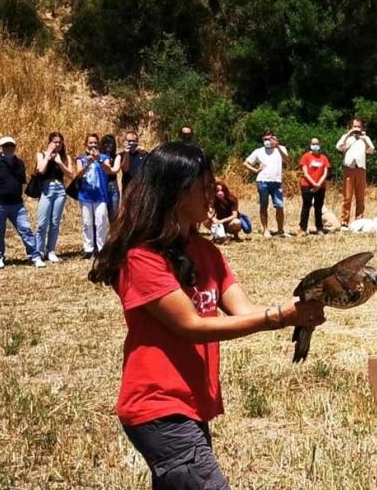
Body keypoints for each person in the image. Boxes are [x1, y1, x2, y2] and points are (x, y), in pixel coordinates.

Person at [87, 142, 325, 489]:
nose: (212, 190)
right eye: (203, 183)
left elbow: (244, 312)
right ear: (175, 191)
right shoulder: (142, 258)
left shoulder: (206, 252)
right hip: (158, 406)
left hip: (191, 402)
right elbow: (192, 326)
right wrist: (279, 316)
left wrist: (301, 307)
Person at [0, 137, 45, 268]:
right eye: (5, 146)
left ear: (15, 147)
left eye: (11, 146)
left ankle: (35, 256)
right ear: (0, 148)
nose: (9, 148)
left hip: (17, 204)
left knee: (26, 229)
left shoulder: (19, 163)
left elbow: (21, 182)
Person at [243, 130, 291, 238]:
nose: (267, 141)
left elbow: (287, 161)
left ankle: (280, 230)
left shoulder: (281, 149)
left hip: (276, 182)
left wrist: (278, 147)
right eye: (265, 139)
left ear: (274, 139)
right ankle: (265, 230)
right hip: (263, 181)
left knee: (279, 206)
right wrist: (255, 170)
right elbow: (245, 163)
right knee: (263, 206)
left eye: (269, 139)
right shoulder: (258, 151)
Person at [35, 132, 73, 262]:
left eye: (59, 142)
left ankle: (51, 250)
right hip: (46, 189)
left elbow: (71, 174)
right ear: (49, 142)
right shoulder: (41, 155)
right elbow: (40, 170)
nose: (57, 145)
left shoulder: (65, 157)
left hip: (60, 190)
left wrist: (60, 163)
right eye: (54, 142)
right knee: (41, 223)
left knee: (55, 223)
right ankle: (39, 251)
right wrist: (47, 155)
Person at [75, 133, 110, 258]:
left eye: (95, 143)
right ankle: (88, 248)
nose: (93, 145)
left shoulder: (104, 157)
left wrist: (98, 159)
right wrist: (87, 163)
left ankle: (101, 248)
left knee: (101, 222)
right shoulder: (81, 159)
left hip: (100, 195)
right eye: (90, 143)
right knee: (87, 222)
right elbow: (78, 174)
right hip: (85, 195)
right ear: (86, 144)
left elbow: (109, 170)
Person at [336, 117, 375, 228]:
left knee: (360, 196)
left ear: (362, 127)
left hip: (361, 169)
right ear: (351, 127)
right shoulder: (346, 137)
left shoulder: (365, 138)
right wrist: (348, 134)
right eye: (354, 126)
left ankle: (359, 220)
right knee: (347, 196)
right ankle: (344, 221)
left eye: (358, 126)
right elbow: (338, 147)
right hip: (349, 168)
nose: (356, 128)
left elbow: (371, 149)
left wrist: (364, 138)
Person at [298, 138, 331, 236]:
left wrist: (319, 184)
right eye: (313, 144)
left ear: (320, 145)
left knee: (318, 207)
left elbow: (325, 172)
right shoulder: (306, 157)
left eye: (317, 144)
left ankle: (319, 228)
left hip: (321, 186)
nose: (315, 145)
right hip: (307, 185)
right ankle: (303, 228)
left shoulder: (323, 158)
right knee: (306, 206)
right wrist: (314, 184)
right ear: (310, 144)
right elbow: (305, 172)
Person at [100, 134, 122, 221]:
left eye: (111, 143)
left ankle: (114, 234)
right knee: (99, 216)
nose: (109, 146)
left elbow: (114, 170)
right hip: (100, 186)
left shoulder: (116, 157)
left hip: (112, 185)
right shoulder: (98, 157)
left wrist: (104, 164)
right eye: (106, 143)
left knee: (114, 216)